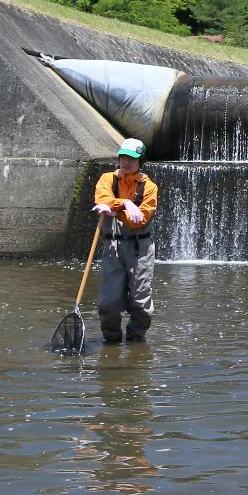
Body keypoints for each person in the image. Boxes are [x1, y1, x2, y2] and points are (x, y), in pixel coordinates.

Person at [93, 138, 160, 343]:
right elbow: (101, 199)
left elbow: (138, 220)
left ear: (141, 161)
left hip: (140, 247)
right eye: (123, 157)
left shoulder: (149, 187)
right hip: (112, 246)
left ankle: (135, 341)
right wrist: (126, 203)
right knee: (108, 304)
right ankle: (111, 342)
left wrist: (117, 209)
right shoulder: (107, 179)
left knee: (140, 303)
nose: (126, 162)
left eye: (132, 158)